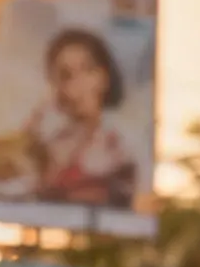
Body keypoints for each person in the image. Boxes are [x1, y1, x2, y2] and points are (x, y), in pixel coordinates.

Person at [22, 29, 139, 207]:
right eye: (66, 75)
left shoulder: (123, 141)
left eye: (87, 70)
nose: (78, 83)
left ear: (104, 77)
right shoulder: (54, 141)